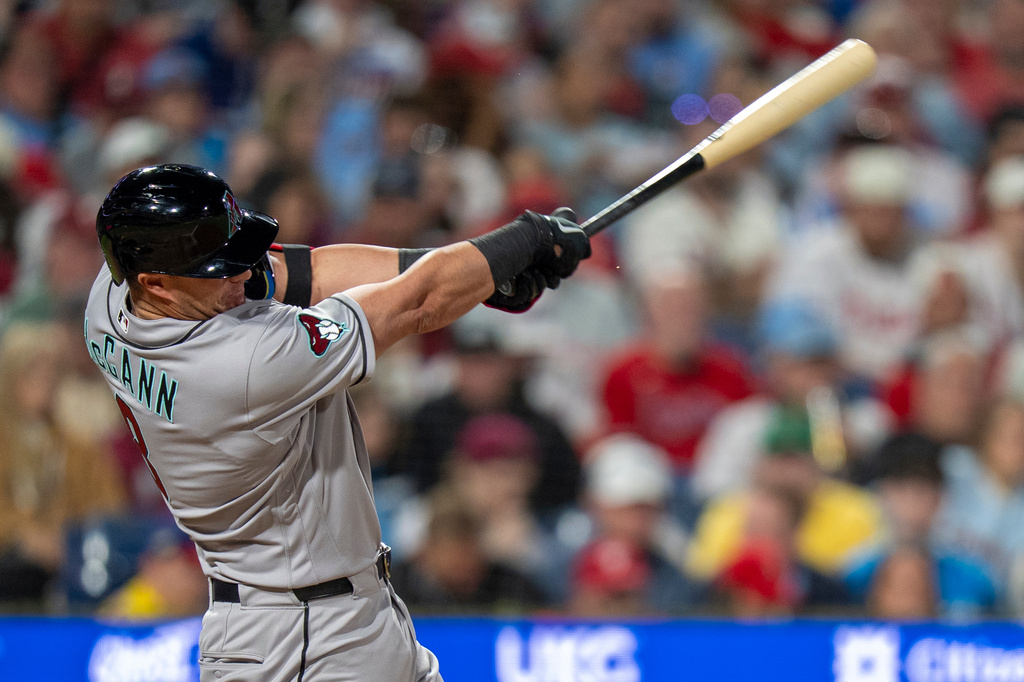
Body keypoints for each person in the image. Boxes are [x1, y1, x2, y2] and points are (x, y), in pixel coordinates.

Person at [84, 163, 590, 681]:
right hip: (304, 638)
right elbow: (415, 304)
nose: (239, 274)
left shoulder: (110, 300)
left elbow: (303, 274)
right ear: (157, 283)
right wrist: (525, 239)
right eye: (218, 268)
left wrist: (476, 274)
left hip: (309, 615)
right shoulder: (244, 365)